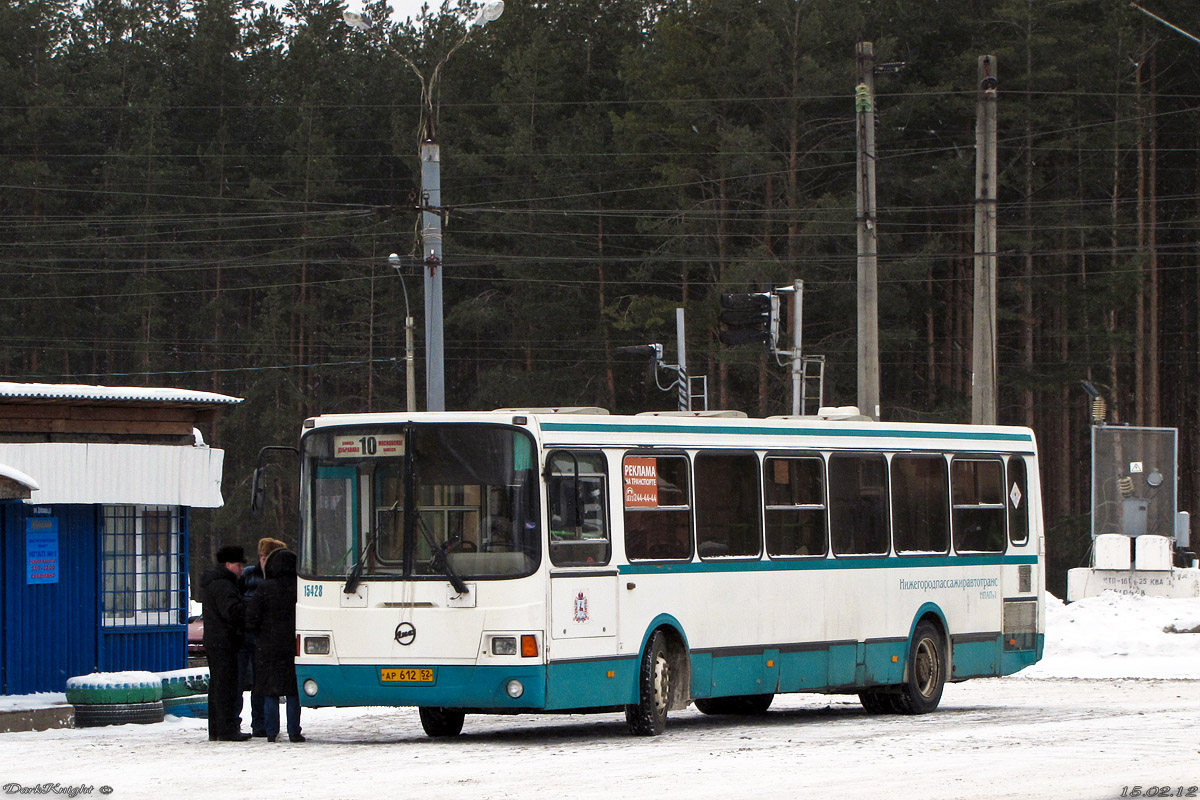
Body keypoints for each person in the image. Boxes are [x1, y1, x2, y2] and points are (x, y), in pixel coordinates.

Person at [246, 546, 303, 743]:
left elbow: (252, 618)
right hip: (293, 645)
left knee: (270, 690)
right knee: (293, 689)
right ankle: (294, 731)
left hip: (267, 645)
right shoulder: (299, 588)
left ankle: (271, 732)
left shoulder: (264, 588)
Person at [200, 544, 251, 741]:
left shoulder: (215, 582)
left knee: (218, 685)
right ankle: (227, 728)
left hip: (216, 640)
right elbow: (231, 612)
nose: (241, 569)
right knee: (227, 686)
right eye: (239, 565)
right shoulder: (224, 584)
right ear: (229, 564)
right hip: (225, 641)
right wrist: (247, 608)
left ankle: (217, 728)